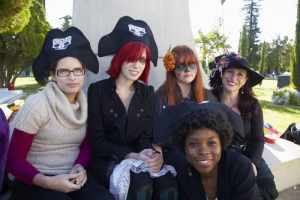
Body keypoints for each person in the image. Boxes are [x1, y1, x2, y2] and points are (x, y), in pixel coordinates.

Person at [6, 27, 114, 200]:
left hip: (71, 175)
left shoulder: (83, 104)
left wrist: (80, 166)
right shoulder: (38, 104)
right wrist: (50, 183)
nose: (72, 77)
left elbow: (86, 145)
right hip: (33, 179)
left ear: (84, 72)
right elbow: (13, 160)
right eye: (63, 71)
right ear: (53, 75)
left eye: (78, 70)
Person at [88, 16, 177, 200]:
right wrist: (131, 156)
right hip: (107, 159)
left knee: (167, 185)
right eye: (131, 58)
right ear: (120, 58)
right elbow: (97, 142)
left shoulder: (148, 93)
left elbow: (145, 137)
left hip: (138, 157)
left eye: (142, 60)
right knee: (140, 185)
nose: (137, 66)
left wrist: (150, 155)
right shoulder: (98, 90)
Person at [209, 52, 278, 200]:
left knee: (266, 188)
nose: (234, 78)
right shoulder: (210, 99)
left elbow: (258, 139)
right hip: (221, 156)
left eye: (240, 74)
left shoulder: (252, 105)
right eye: (230, 72)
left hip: (248, 154)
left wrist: (253, 163)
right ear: (222, 74)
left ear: (246, 80)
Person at [173, 108, 262, 200]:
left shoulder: (239, 167)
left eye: (211, 143)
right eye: (193, 144)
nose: (203, 151)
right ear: (184, 147)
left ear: (221, 144)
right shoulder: (182, 179)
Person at [154, 45, 217, 171]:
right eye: (181, 66)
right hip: (173, 150)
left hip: (202, 149)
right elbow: (156, 132)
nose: (187, 70)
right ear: (172, 68)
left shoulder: (207, 95)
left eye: (192, 65)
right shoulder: (161, 95)